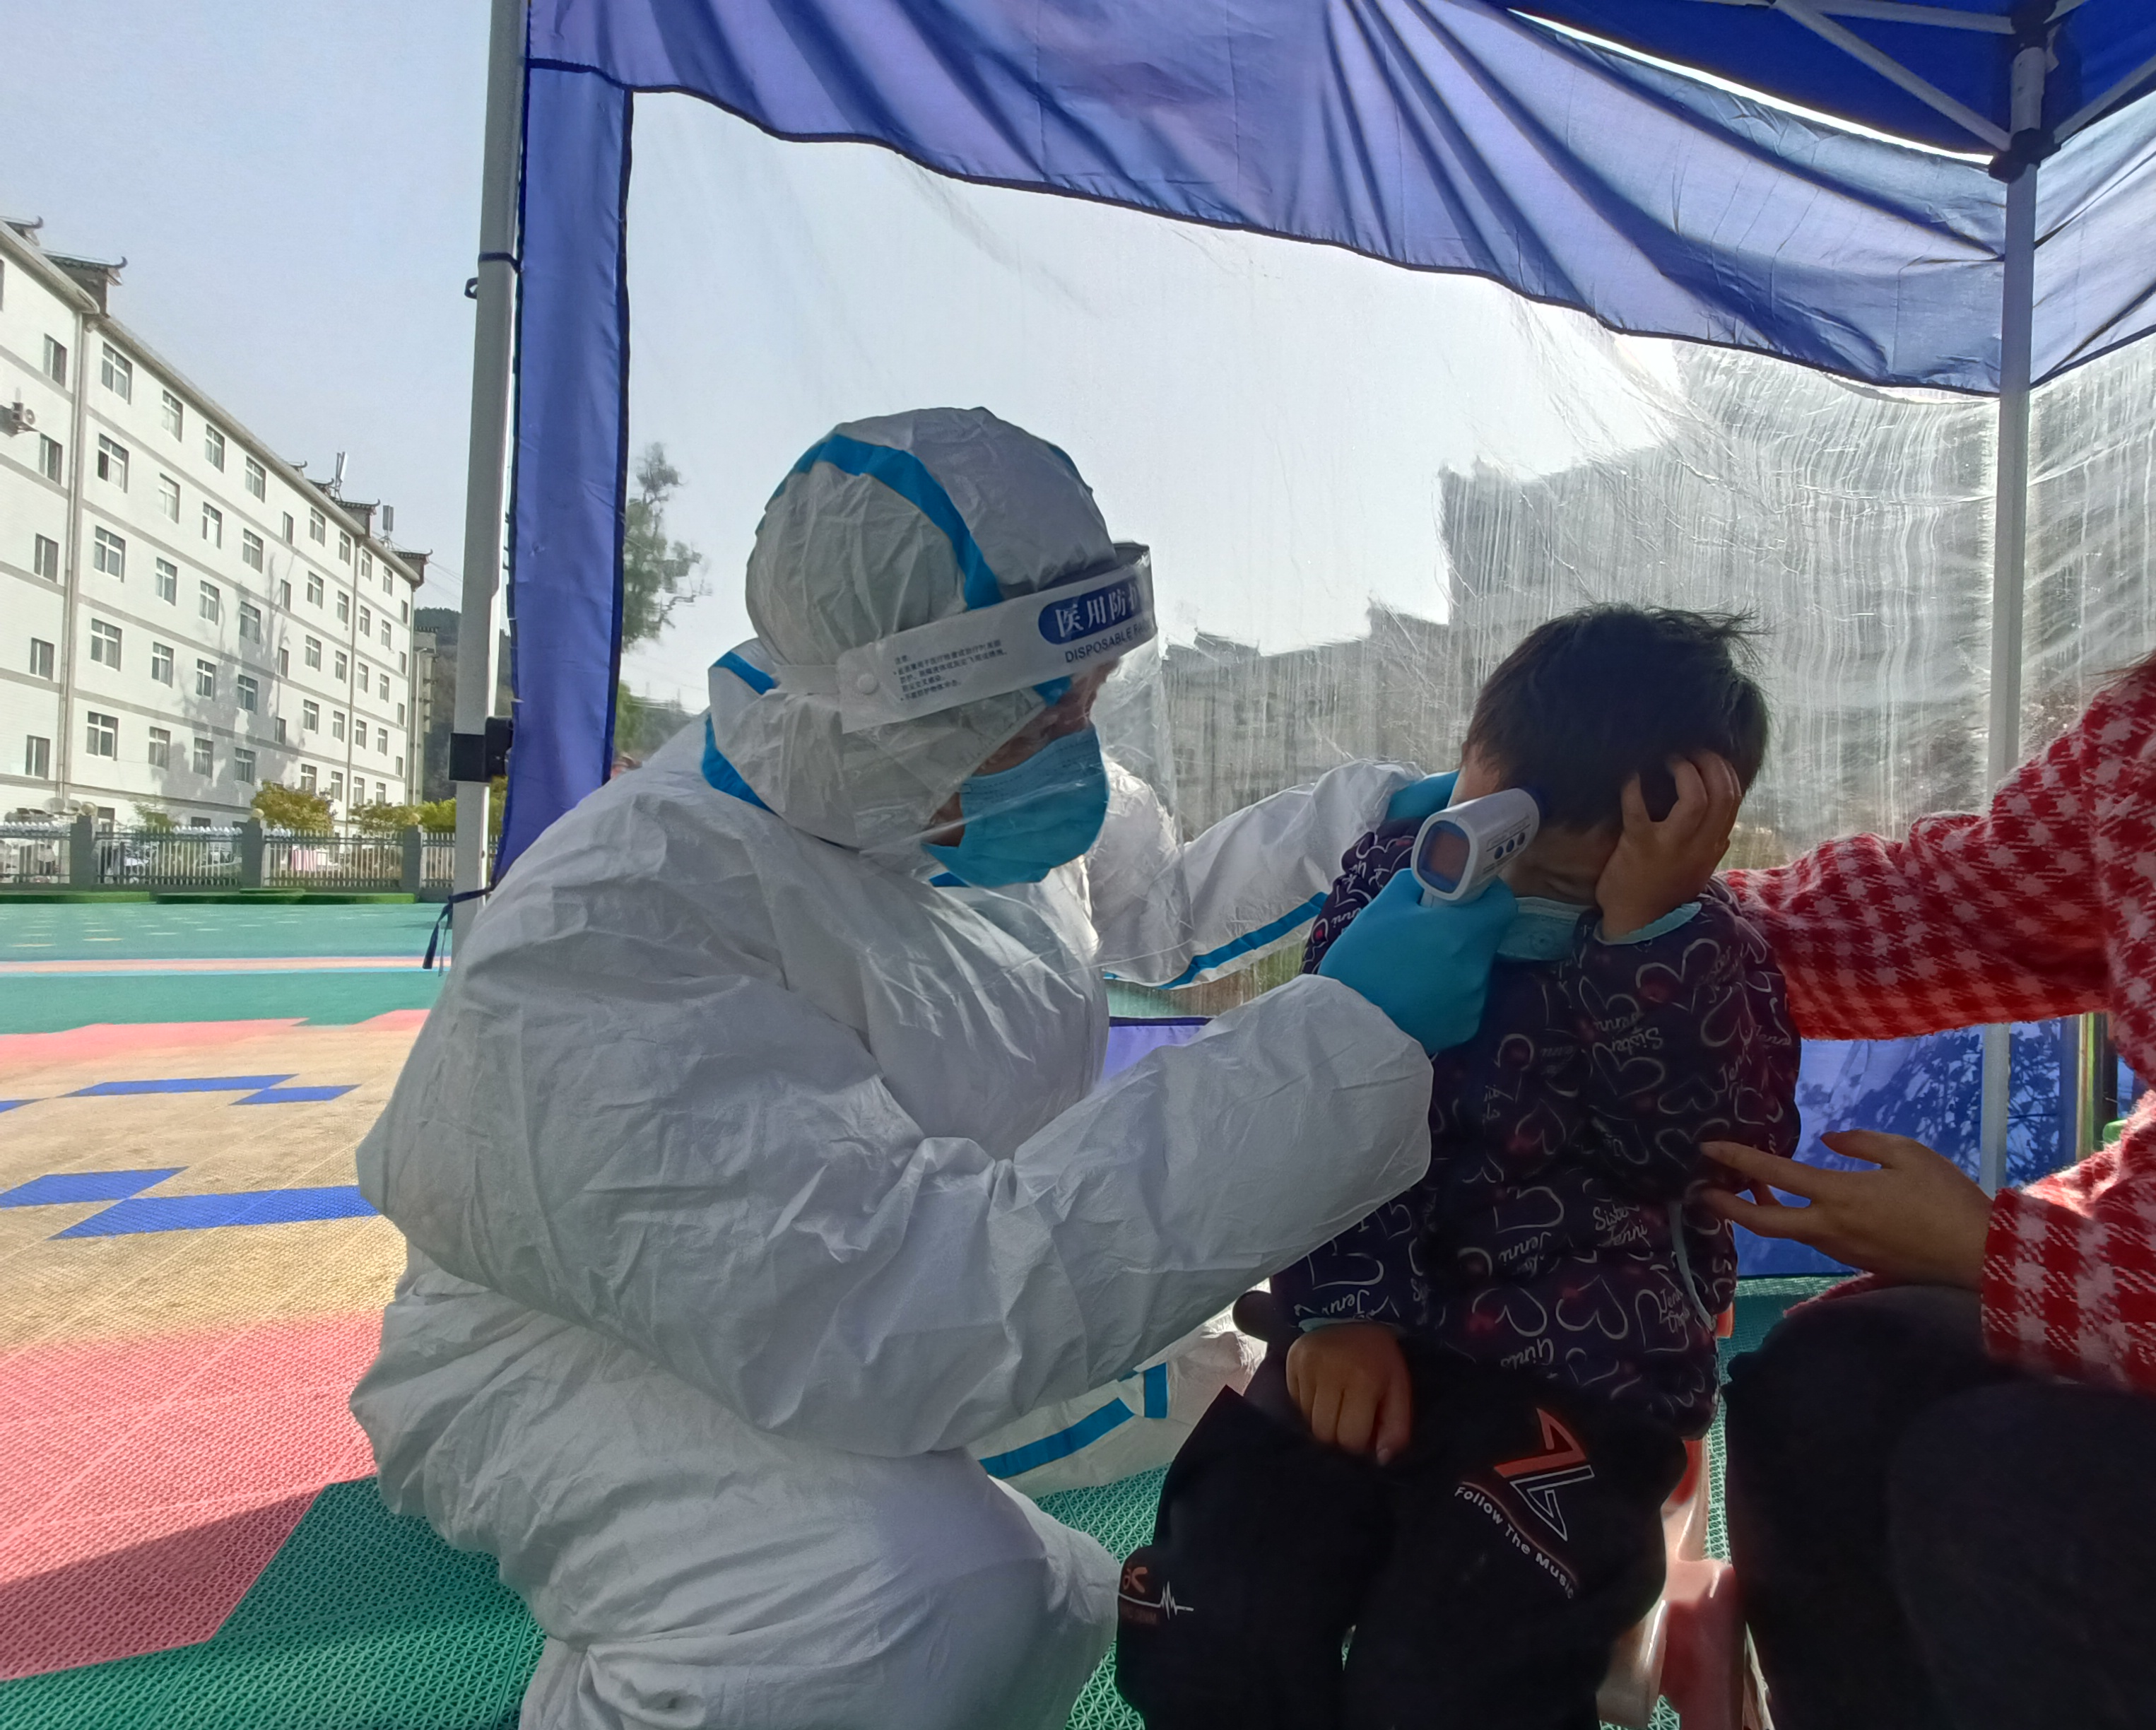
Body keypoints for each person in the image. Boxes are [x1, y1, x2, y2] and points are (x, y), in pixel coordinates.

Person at [351, 408, 1519, 1730]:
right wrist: (1348, 1038)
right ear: (894, 701)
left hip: (874, 1275)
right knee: (923, 1597)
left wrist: (1374, 832)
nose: (1075, 745)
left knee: (1091, 1552)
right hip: (570, 1354)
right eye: (1040, 715)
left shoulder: (957, 783)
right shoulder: (612, 932)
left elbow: (1163, 905)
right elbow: (901, 1309)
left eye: (1087, 697)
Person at [1702, 240, 2156, 1729]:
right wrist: (1627, 912)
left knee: (2019, 1496)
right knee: (1820, 1383)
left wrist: (2013, 1258)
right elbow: (1942, 902)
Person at [1114, 607, 1802, 1730]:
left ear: (1680, 829)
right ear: (1474, 763)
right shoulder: (1392, 877)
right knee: (1214, 1612)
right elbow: (1330, 1104)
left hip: (1580, 1370)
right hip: (1368, 1331)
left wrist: (1640, 944)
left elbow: (1705, 1155)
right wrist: (1338, 1312)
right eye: (1501, 840)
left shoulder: (1704, 948)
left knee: (1449, 1673)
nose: (1516, 894)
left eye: (1567, 883)